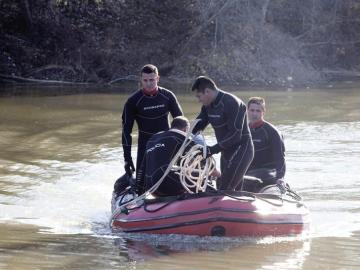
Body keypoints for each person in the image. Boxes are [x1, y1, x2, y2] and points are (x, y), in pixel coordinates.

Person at [191, 76, 254, 191]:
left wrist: (212, 150)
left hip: (241, 150)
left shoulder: (232, 102)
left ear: (207, 91)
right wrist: (179, 135)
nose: (199, 100)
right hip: (225, 152)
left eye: (199, 96)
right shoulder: (207, 107)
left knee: (225, 189)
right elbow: (196, 128)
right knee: (226, 188)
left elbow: (235, 135)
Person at [121, 64, 183, 179]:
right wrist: (127, 158)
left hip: (167, 142)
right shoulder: (133, 101)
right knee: (141, 183)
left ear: (158, 79)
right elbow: (126, 132)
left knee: (169, 178)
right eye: (145, 80)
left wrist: (183, 151)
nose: (149, 83)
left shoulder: (168, 96)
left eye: (152, 80)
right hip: (145, 145)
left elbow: (182, 124)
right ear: (141, 80)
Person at [135, 116, 193, 196]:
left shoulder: (152, 139)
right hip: (166, 184)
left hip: (151, 188)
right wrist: (215, 175)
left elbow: (142, 169)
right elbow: (201, 160)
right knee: (198, 176)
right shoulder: (182, 137)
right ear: (186, 129)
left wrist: (139, 192)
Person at [246, 97, 286, 190]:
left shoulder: (272, 132)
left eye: (258, 111)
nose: (254, 114)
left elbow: (280, 158)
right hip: (248, 173)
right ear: (247, 111)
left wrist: (280, 177)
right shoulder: (243, 131)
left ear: (263, 112)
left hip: (268, 172)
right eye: (252, 110)